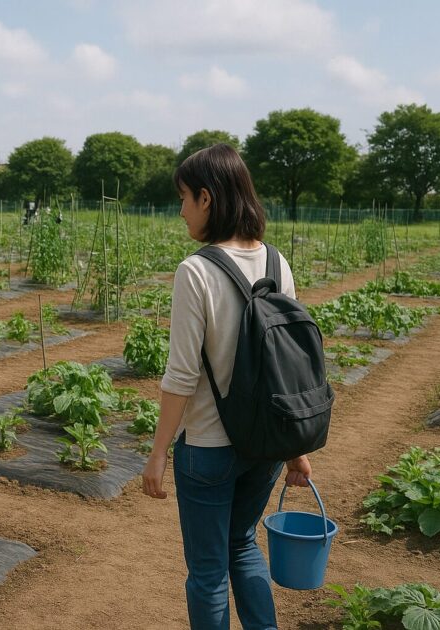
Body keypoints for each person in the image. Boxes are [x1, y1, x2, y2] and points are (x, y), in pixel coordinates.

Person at [141, 144, 312, 630]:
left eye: (183, 199)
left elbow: (181, 375)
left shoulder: (196, 271)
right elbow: (290, 367)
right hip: (264, 446)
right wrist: (295, 447)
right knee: (242, 544)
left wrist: (157, 455)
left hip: (209, 449)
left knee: (208, 572)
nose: (181, 211)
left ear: (207, 198)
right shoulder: (278, 263)